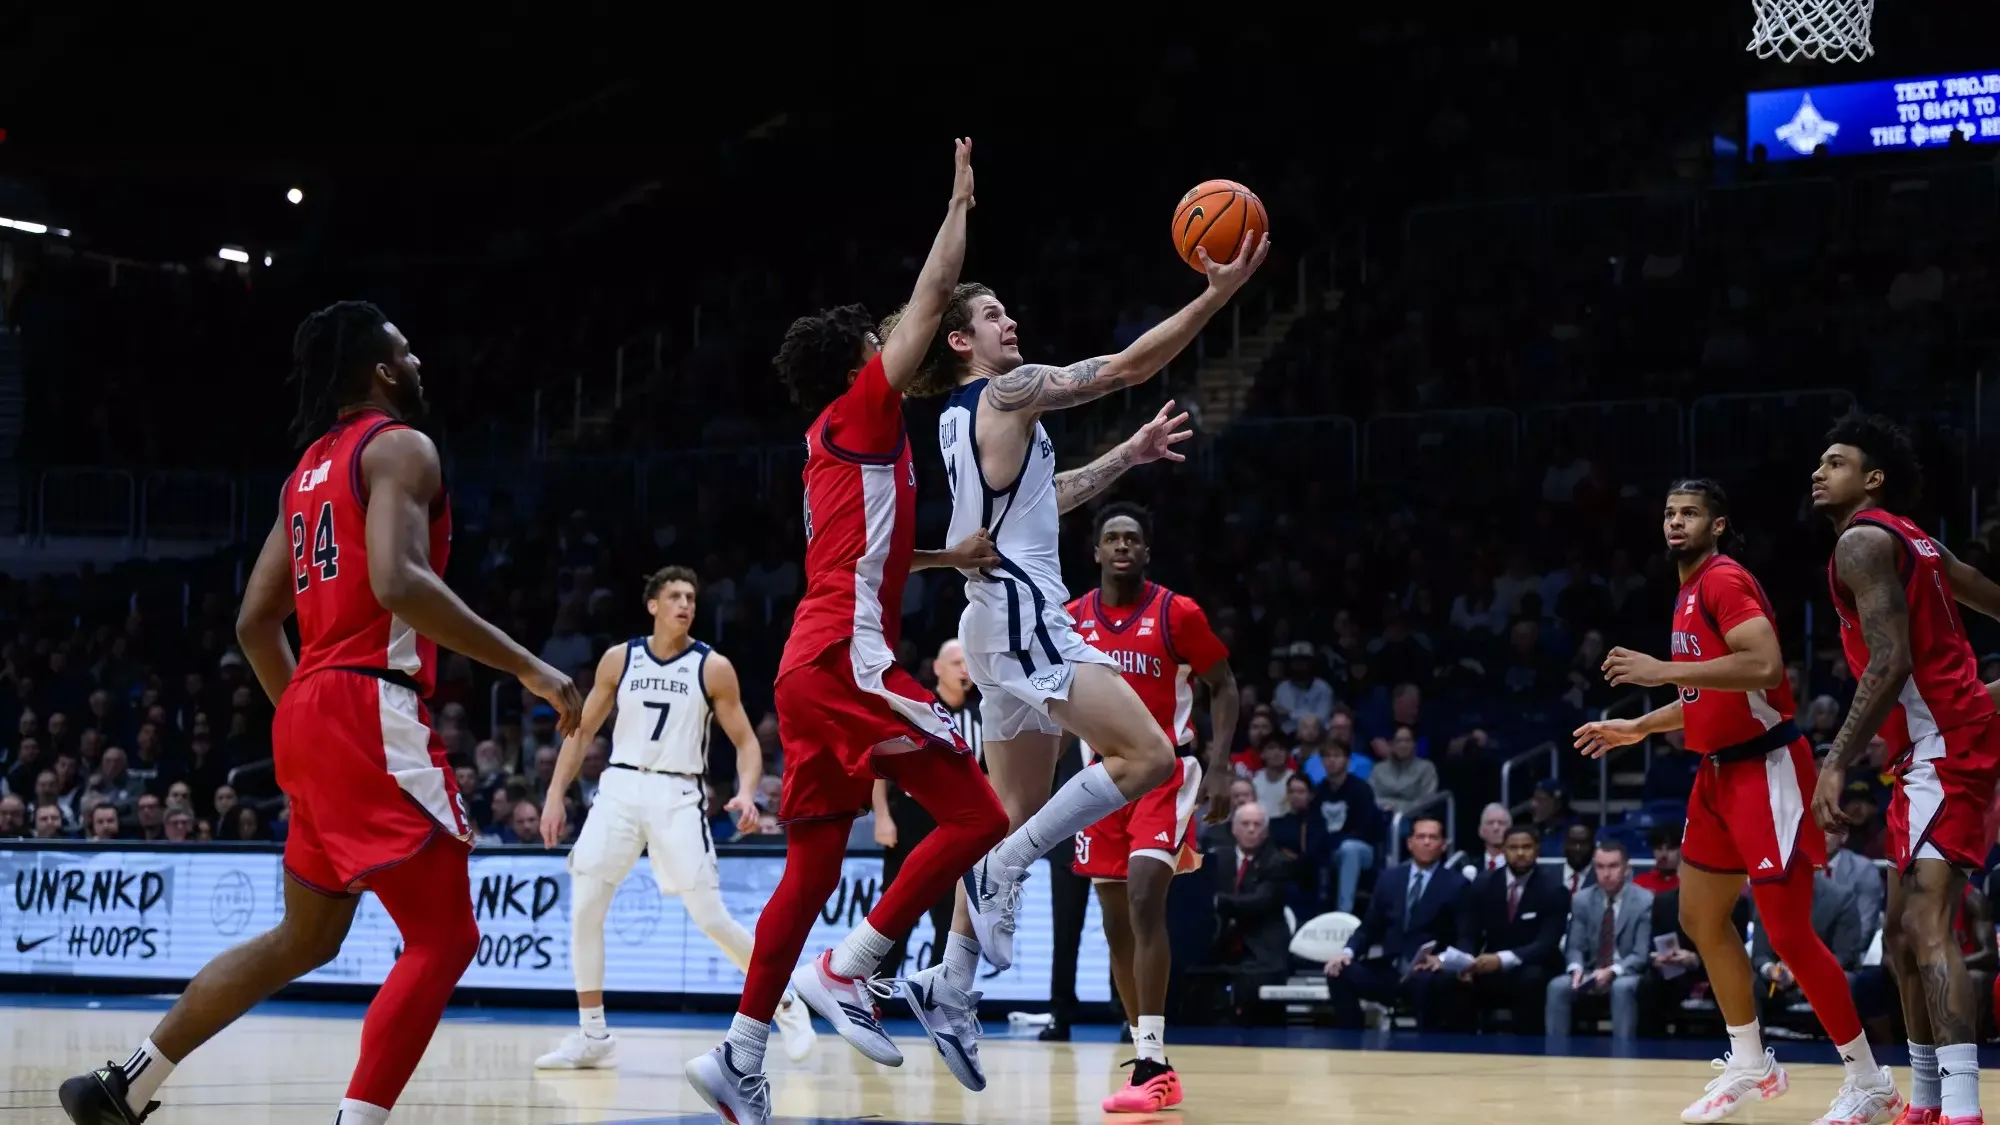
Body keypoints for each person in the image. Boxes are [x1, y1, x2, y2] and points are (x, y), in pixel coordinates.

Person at [60, 300, 584, 1125]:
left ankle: (125, 1083)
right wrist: (528, 666)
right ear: (381, 370)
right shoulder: (401, 446)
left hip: (309, 705)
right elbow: (398, 581)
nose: (420, 364)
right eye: (408, 352)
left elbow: (251, 621)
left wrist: (307, 716)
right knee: (445, 939)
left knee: (302, 939)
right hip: (365, 701)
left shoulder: (305, 469)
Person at [684, 140, 1009, 1125]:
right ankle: (854, 967)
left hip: (810, 663)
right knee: (980, 814)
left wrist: (946, 562)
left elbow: (861, 555)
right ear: (864, 363)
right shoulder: (863, 409)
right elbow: (932, 292)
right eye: (888, 341)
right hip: (840, 661)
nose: (898, 344)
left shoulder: (845, 443)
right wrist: (956, 204)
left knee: (812, 867)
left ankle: (739, 1056)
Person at [904, 222, 1270, 997]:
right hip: (1025, 615)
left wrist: (1125, 457)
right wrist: (1216, 294)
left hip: (988, 620)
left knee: (1016, 804)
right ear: (962, 342)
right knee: (1152, 759)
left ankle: (952, 983)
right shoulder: (1011, 388)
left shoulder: (961, 417)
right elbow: (1130, 366)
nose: (1012, 323)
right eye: (994, 316)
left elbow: (1046, 499)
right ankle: (1004, 871)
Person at [1576, 478, 1899, 1125]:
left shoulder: (1723, 580)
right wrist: (1638, 726)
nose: (1675, 521)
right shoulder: (1688, 588)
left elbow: (1765, 668)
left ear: (1718, 524)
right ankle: (1751, 1059)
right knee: (1699, 917)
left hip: (1769, 768)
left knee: (1787, 931)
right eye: (1668, 512)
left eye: (1689, 512)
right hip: (1717, 773)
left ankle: (1871, 1081)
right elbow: (1711, 694)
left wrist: (1659, 671)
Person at [534, 566, 814, 1070]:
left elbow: (748, 743)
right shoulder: (620, 659)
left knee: (710, 916)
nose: (686, 604)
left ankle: (786, 1002)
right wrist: (556, 793)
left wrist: (748, 793)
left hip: (678, 792)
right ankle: (593, 1036)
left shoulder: (713, 667)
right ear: (653, 605)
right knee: (585, 909)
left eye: (691, 596)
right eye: (675, 596)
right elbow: (582, 730)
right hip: (619, 786)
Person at [1810, 412, 2000, 1125]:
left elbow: (1890, 662)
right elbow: (1978, 584)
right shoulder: (1912, 538)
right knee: (1897, 933)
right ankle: (1923, 1098)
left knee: (1926, 924)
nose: (1818, 471)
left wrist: (1836, 761)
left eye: (1835, 461)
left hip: (1944, 743)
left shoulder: (1862, 540)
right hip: (1931, 746)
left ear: (1873, 479)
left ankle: (1961, 1106)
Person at [1064, 503, 1238, 1113]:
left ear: (1146, 551)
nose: (1120, 547)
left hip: (1164, 770)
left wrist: (1219, 766)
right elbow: (1054, 703)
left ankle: (1151, 1058)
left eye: (1131, 538)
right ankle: (1153, 1064)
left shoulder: (1176, 612)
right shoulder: (1071, 619)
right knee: (1114, 923)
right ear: (1095, 550)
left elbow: (1225, 684)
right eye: (1111, 537)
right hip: (1099, 778)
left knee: (1143, 898)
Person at [869, 637, 978, 979]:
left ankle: (935, 995)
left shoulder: (982, 716)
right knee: (896, 910)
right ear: (937, 668)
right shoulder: (919, 709)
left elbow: (989, 777)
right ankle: (874, 991)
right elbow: (881, 766)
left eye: (968, 663)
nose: (965, 670)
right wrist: (883, 817)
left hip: (956, 823)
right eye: (957, 663)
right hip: (910, 820)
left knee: (949, 919)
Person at [1323, 816, 1467, 1030]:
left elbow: (1465, 936)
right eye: (1421, 837)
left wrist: (1443, 960)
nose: (1426, 842)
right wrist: (1348, 952)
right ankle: (1350, 1042)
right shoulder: (1389, 879)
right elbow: (1368, 928)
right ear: (1410, 843)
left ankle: (1430, 1047)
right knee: (1339, 972)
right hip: (1390, 970)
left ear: (1443, 845)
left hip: (1427, 970)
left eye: (1433, 837)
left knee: (1427, 983)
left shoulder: (1457, 884)